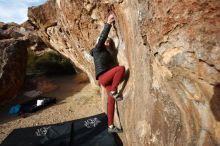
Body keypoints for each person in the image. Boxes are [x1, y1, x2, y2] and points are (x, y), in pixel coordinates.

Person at [90, 14, 125, 133]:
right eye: (106, 41)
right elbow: (102, 37)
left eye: (109, 41)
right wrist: (109, 23)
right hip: (103, 77)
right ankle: (114, 91)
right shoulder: (97, 49)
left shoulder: (106, 52)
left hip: (107, 79)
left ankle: (110, 126)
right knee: (121, 69)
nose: (108, 42)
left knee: (111, 101)